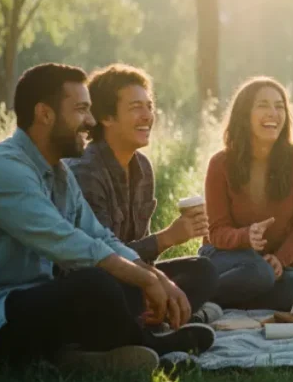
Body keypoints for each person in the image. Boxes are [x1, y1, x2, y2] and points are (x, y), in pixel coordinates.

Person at [0, 63, 214, 371]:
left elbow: (102, 238)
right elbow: (75, 247)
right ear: (44, 114)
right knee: (96, 282)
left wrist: (159, 279)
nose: (90, 122)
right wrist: (145, 278)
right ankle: (148, 343)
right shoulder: (3, 170)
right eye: (81, 110)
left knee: (152, 277)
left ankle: (81, 355)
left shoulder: (60, 174)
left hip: (38, 304)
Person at [68, 64, 221, 325]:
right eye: (136, 107)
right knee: (106, 288)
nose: (147, 115)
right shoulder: (86, 172)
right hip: (96, 280)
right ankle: (159, 321)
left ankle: (156, 317)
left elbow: (139, 257)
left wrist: (158, 277)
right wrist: (167, 238)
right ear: (106, 117)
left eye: (149, 106)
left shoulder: (142, 168)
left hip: (135, 278)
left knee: (202, 270)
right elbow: (104, 258)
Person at [200, 77, 293, 311]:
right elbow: (216, 232)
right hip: (228, 258)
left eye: (279, 106)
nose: (273, 113)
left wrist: (280, 259)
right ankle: (194, 295)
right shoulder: (220, 163)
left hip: (273, 264)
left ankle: (221, 301)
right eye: (263, 105)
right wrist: (246, 236)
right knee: (258, 272)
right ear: (244, 114)